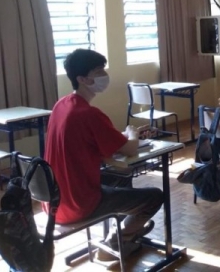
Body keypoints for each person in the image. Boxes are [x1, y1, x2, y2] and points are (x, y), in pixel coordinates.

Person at [44, 49, 163, 261]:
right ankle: (116, 242)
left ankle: (126, 228)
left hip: (54, 202)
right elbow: (130, 150)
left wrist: (124, 137)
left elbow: (89, 141)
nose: (104, 75)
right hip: (79, 204)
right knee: (154, 197)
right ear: (82, 79)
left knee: (123, 176)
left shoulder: (61, 105)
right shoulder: (89, 113)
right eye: (98, 71)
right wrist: (132, 133)